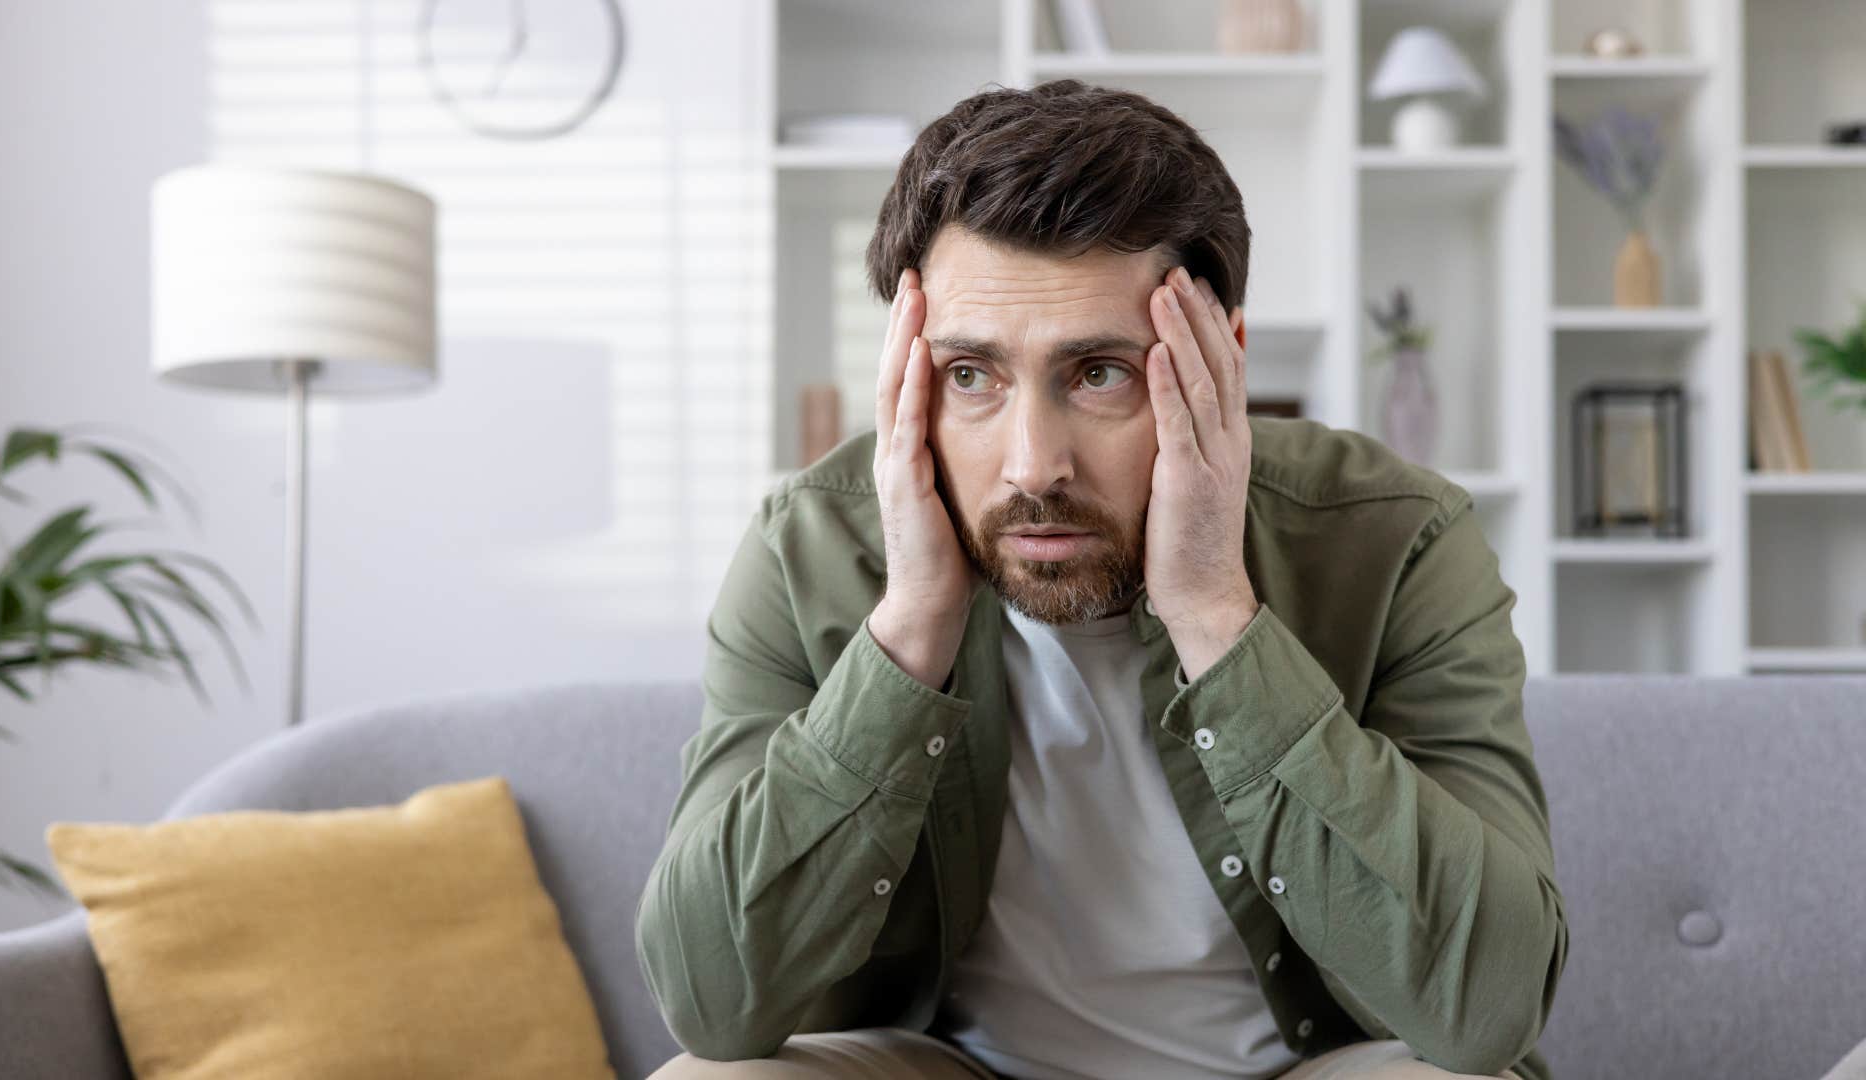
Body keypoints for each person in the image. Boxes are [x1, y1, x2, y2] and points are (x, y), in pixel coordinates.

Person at [636, 78, 1566, 1080]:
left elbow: (1489, 1007)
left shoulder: (1398, 537)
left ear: (1223, 362)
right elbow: (710, 1001)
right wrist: (909, 630)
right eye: (972, 376)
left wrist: (1215, 611)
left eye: (1099, 374)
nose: (1035, 465)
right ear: (911, 373)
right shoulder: (805, 548)